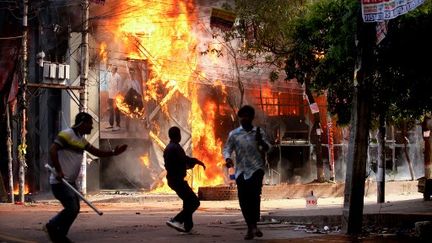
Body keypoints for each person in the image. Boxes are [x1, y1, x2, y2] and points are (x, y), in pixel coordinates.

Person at [44, 112, 128, 243]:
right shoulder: (66, 135)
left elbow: (97, 152)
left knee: (75, 209)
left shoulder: (81, 140)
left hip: (70, 182)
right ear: (82, 123)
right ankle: (52, 226)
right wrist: (59, 171)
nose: (92, 127)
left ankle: (60, 234)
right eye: (90, 124)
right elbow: (52, 150)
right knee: (71, 208)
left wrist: (114, 153)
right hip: (60, 181)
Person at [222, 105, 271, 240]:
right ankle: (250, 226)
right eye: (242, 116)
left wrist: (262, 142)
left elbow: (268, 148)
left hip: (256, 169)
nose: (244, 119)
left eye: (247, 116)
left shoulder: (259, 132)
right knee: (243, 200)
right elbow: (227, 149)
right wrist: (227, 159)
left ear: (251, 118)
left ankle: (253, 225)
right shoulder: (234, 134)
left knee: (255, 197)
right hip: (241, 172)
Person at [163, 126, 206, 233]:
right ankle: (176, 220)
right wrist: (194, 162)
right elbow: (183, 160)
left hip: (174, 179)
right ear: (178, 135)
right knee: (195, 202)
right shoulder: (175, 148)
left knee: (188, 201)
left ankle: (188, 226)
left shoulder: (170, 147)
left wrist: (195, 161)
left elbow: (183, 160)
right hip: (177, 180)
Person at [107, 66, 122, 131]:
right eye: (112, 69)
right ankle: (111, 124)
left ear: (116, 70)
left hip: (116, 97)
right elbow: (108, 84)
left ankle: (118, 125)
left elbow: (119, 88)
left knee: (117, 111)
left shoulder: (118, 77)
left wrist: (116, 97)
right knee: (111, 111)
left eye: (113, 69)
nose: (112, 70)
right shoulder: (109, 75)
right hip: (110, 96)